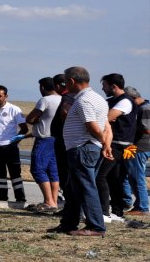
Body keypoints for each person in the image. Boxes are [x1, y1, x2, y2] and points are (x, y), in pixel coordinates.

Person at [48, 66, 112, 237]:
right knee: (74, 188)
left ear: (71, 81)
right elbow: (106, 126)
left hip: (82, 148)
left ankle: (96, 226)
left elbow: (92, 125)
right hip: (86, 147)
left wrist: (103, 142)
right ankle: (69, 223)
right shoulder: (98, 99)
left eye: (66, 81)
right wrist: (105, 144)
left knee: (85, 187)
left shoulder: (84, 100)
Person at [96, 73, 137, 222]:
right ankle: (117, 211)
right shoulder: (114, 100)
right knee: (114, 179)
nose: (102, 88)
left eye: (104, 85)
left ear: (113, 86)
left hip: (119, 146)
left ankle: (104, 212)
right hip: (116, 145)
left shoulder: (125, 101)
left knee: (101, 176)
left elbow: (106, 117)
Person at [0, 85, 29, 202]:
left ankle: (20, 198)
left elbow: (24, 129)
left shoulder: (14, 109)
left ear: (6, 96)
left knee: (15, 173)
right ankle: (2, 197)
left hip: (9, 147)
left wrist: (14, 141)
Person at [26, 77, 62, 212]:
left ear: (42, 87)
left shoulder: (45, 100)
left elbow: (30, 118)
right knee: (53, 171)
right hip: (56, 138)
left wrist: (35, 120)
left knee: (38, 168)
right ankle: (54, 201)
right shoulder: (61, 99)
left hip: (44, 138)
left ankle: (48, 201)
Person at [123, 86, 150, 216]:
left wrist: (129, 127)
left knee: (137, 176)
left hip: (139, 147)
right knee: (129, 173)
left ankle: (143, 207)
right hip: (133, 146)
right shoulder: (141, 108)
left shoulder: (144, 109)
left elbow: (147, 129)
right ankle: (134, 203)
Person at [50, 73, 73, 200]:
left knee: (65, 174)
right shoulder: (73, 96)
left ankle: (70, 206)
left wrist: (66, 130)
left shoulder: (67, 97)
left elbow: (65, 112)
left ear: (57, 85)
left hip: (63, 141)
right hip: (66, 140)